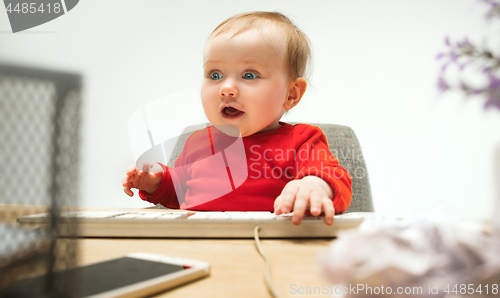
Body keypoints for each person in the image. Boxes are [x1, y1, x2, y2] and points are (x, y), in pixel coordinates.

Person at [122, 11, 352, 225]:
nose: (227, 88)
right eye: (215, 75)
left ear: (291, 94)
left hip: (266, 247)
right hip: (196, 246)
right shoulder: (197, 142)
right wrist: (157, 181)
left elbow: (334, 177)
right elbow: (179, 193)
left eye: (249, 75)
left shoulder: (302, 140)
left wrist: (314, 185)